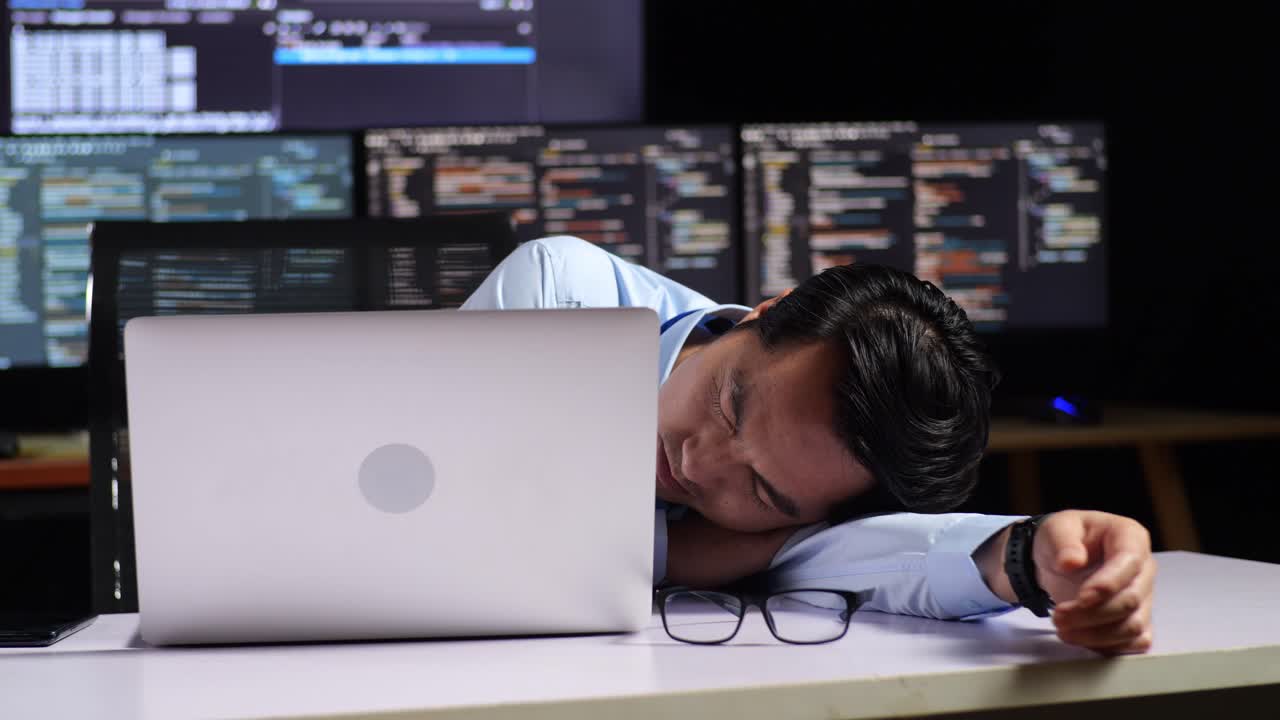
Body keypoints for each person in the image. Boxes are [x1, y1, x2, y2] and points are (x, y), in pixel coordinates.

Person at [461, 236, 1155, 655]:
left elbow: (886, 554)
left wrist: (1029, 557)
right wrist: (703, 553)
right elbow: (462, 526)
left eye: (762, 491)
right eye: (729, 405)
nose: (698, 462)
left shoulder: (812, 507)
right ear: (762, 314)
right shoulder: (566, 293)